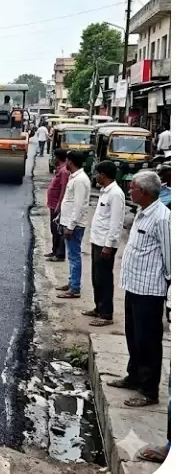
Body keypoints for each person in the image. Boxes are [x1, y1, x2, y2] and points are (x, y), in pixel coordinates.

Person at [108, 170, 170, 408]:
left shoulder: (163, 219)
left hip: (150, 291)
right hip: (134, 286)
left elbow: (170, 258)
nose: (129, 191)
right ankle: (134, 376)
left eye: (132, 188)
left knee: (148, 341)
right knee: (133, 336)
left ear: (143, 192)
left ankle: (149, 390)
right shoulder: (143, 213)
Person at [84, 160, 125, 327]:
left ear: (103, 175)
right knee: (96, 278)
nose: (95, 177)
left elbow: (116, 223)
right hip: (97, 240)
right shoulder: (105, 191)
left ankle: (106, 313)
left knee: (105, 279)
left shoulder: (116, 194)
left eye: (97, 174)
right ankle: (98, 307)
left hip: (105, 244)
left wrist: (108, 245)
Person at [56, 150, 91, 299]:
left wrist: (70, 226)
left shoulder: (80, 180)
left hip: (74, 225)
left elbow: (78, 206)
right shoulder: (75, 177)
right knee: (71, 256)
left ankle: (75, 287)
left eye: (67, 161)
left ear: (70, 161)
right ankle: (72, 283)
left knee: (74, 256)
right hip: (69, 222)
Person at [45, 149, 69, 263]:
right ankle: (54, 251)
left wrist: (59, 204)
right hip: (53, 204)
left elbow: (63, 189)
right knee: (53, 229)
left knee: (57, 230)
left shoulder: (64, 171)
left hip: (56, 205)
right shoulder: (60, 169)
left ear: (58, 158)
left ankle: (59, 254)